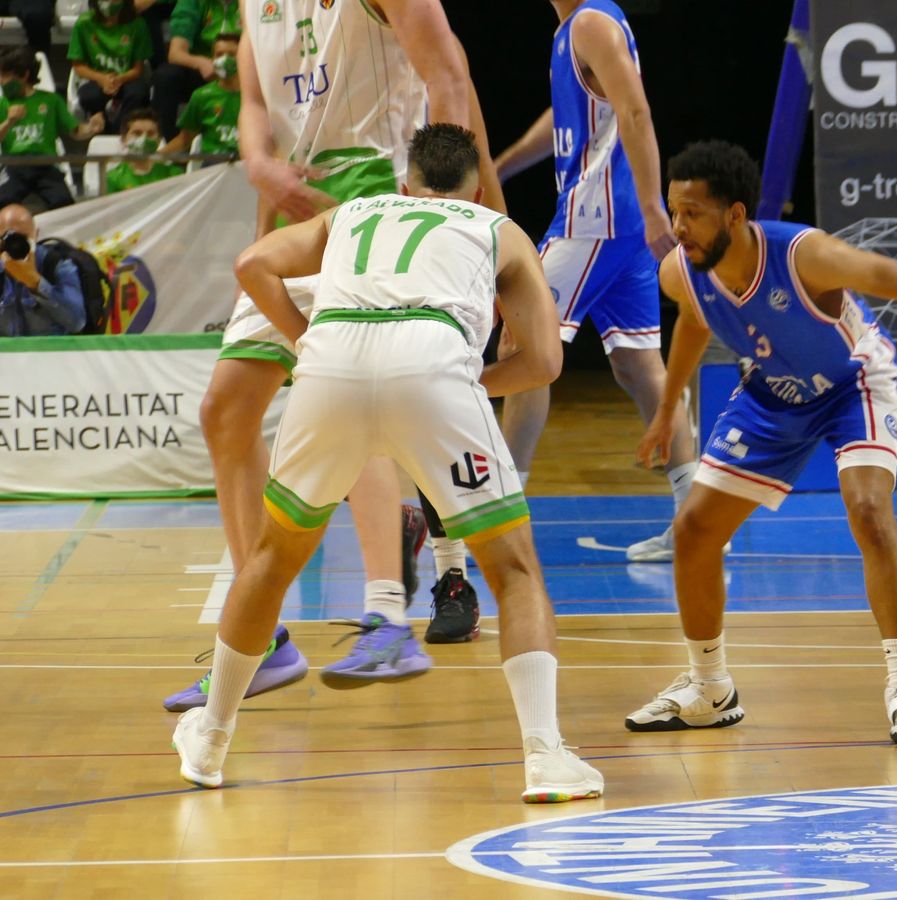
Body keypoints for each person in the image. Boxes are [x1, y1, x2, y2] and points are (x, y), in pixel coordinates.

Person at [173, 123, 603, 803]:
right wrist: (464, 381)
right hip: (432, 361)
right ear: (476, 190)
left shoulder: (354, 211)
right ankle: (545, 756)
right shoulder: (496, 228)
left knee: (270, 559)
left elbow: (252, 263)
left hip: (332, 364)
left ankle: (211, 739)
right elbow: (546, 362)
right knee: (514, 569)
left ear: (406, 184)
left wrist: (307, 340)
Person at [624, 142, 897, 746]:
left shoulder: (805, 256)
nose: (679, 227)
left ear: (735, 215)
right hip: (771, 395)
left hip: (852, 381)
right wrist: (666, 407)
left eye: (693, 213)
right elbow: (695, 321)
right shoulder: (682, 269)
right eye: (674, 212)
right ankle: (710, 689)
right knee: (694, 531)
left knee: (867, 509)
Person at [161, 0, 506, 711]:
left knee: (353, 387)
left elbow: (448, 75)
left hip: (382, 207)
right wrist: (258, 165)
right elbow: (254, 101)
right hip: (300, 217)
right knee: (225, 411)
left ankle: (388, 617)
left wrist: (451, 212)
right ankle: (262, 640)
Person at [494, 0, 696, 564]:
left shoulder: (590, 22)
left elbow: (635, 112)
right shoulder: (571, 30)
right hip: (616, 226)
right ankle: (694, 517)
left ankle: (501, 512)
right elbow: (567, 118)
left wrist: (657, 208)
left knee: (521, 344)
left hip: (595, 219)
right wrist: (503, 163)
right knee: (636, 364)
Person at [0, 48, 105, 211]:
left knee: (63, 203)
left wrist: (92, 127)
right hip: (14, 165)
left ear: (24, 75)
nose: (1, 81)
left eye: (5, 76)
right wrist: (9, 121)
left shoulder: (51, 100)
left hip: (45, 164)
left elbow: (75, 131)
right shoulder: (2, 103)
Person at [152, 0, 237, 140]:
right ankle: (165, 142)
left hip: (244, 68)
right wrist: (201, 63)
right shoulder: (192, 2)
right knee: (165, 76)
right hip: (203, 69)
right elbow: (176, 53)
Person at [69, 0, 155, 133]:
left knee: (138, 93)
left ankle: (118, 131)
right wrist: (102, 78)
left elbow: (138, 69)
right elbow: (78, 66)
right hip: (96, 79)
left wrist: (118, 79)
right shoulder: (84, 23)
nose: (108, 2)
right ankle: (103, 128)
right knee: (88, 95)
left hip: (127, 79)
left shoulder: (138, 24)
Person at [0, 203, 84, 336]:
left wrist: (36, 283)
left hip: (51, 354)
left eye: (22, 239)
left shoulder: (55, 264)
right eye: (7, 239)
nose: (15, 245)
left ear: (36, 234)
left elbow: (77, 322)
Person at [157, 30, 238, 160]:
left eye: (232, 54)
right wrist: (153, 158)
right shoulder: (201, 96)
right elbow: (184, 139)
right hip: (213, 164)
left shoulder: (260, 94)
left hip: (247, 164)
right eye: (219, 54)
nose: (225, 59)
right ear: (212, 60)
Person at [106, 107, 183, 193]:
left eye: (150, 133)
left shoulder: (174, 175)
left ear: (159, 140)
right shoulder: (112, 178)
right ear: (124, 139)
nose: (144, 138)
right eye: (137, 133)